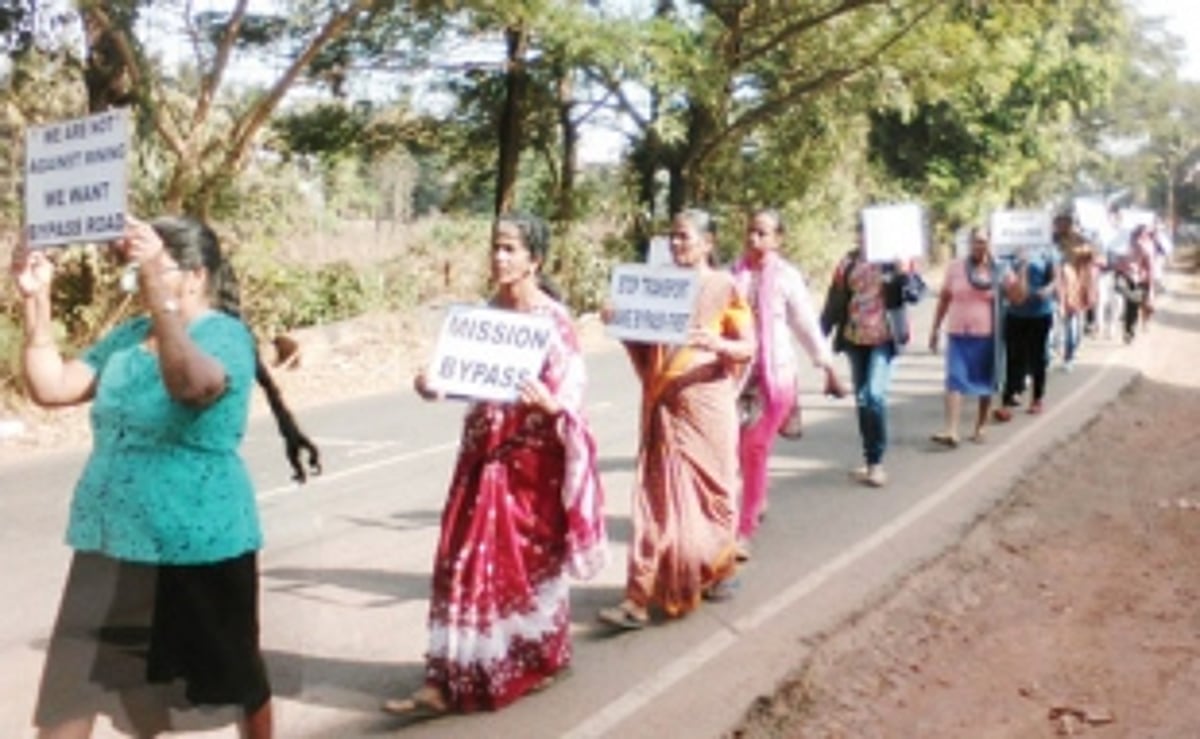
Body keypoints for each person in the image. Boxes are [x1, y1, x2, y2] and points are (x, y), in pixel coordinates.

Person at [12, 216, 320, 739]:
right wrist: (35, 301)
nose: (133, 278)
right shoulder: (129, 337)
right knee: (74, 685)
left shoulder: (223, 336)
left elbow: (189, 385)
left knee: (231, 677)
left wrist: (161, 297)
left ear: (195, 276)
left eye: (148, 268)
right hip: (109, 537)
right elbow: (53, 386)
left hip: (196, 540)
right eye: (133, 269)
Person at [386, 213, 607, 717]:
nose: (500, 257)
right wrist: (431, 386)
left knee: (520, 570)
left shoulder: (553, 324)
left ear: (536, 259)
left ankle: (534, 658)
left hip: (530, 465)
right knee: (460, 561)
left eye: (511, 249)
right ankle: (446, 677)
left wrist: (551, 407)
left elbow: (572, 396)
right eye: (496, 248)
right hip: (480, 455)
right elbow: (462, 381)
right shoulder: (482, 317)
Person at [597, 208, 755, 629]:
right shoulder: (659, 285)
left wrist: (716, 342)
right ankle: (638, 596)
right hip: (664, 403)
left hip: (706, 405)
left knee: (711, 497)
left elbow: (747, 348)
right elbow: (644, 344)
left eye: (685, 237)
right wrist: (618, 321)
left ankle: (711, 567)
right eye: (672, 237)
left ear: (708, 243)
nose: (677, 245)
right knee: (654, 501)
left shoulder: (724, 287)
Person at [730, 208, 843, 561]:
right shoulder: (732, 275)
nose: (754, 239)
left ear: (779, 239)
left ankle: (743, 530)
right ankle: (756, 495)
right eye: (750, 231)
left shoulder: (786, 278)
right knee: (735, 450)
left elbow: (806, 324)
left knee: (754, 447)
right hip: (735, 378)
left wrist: (827, 366)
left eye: (763, 233)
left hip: (774, 376)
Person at [820, 221, 924, 488]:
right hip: (855, 338)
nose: (866, 236)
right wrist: (819, 335)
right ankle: (870, 460)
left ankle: (876, 463)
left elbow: (915, 294)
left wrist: (903, 274)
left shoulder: (895, 261)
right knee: (863, 400)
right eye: (862, 231)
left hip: (884, 339)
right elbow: (835, 300)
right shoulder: (848, 263)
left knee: (873, 396)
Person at [928, 227, 1014, 445]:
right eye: (975, 241)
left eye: (983, 241)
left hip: (987, 336)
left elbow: (1017, 296)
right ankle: (951, 430)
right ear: (969, 243)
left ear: (991, 244)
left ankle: (981, 426)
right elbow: (945, 299)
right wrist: (935, 329)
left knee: (985, 383)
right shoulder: (956, 268)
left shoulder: (1000, 270)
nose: (979, 245)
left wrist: (1020, 271)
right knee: (954, 380)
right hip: (958, 334)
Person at [993, 239, 1060, 421]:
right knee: (1014, 357)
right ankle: (1007, 401)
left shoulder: (1047, 251)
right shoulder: (1008, 253)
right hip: (1015, 313)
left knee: (1037, 357)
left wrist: (1048, 289)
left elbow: (1056, 279)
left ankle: (1037, 398)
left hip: (1040, 313)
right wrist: (1022, 263)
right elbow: (1006, 284)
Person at [1114, 224, 1156, 343]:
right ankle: (1129, 331)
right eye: (1138, 233)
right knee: (1132, 306)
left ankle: (1129, 331)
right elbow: (1150, 268)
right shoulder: (1143, 246)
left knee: (1131, 306)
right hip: (1133, 279)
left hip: (1135, 280)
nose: (1139, 236)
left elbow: (1149, 267)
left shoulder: (1129, 246)